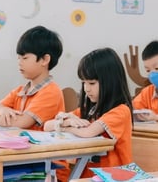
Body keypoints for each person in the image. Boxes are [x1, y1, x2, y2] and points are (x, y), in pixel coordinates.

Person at [44, 48, 134, 180]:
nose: (86, 88)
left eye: (92, 83)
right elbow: (47, 126)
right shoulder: (89, 109)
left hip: (113, 177)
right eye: (83, 82)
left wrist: (65, 125)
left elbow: (88, 132)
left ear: (110, 81)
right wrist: (66, 121)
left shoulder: (121, 111)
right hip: (88, 176)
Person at [0, 25, 64, 130]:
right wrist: (0, 110)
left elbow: (22, 122)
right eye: (18, 58)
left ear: (44, 60)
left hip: (41, 146)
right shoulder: (20, 91)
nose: (19, 63)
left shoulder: (51, 92)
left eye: (25, 58)